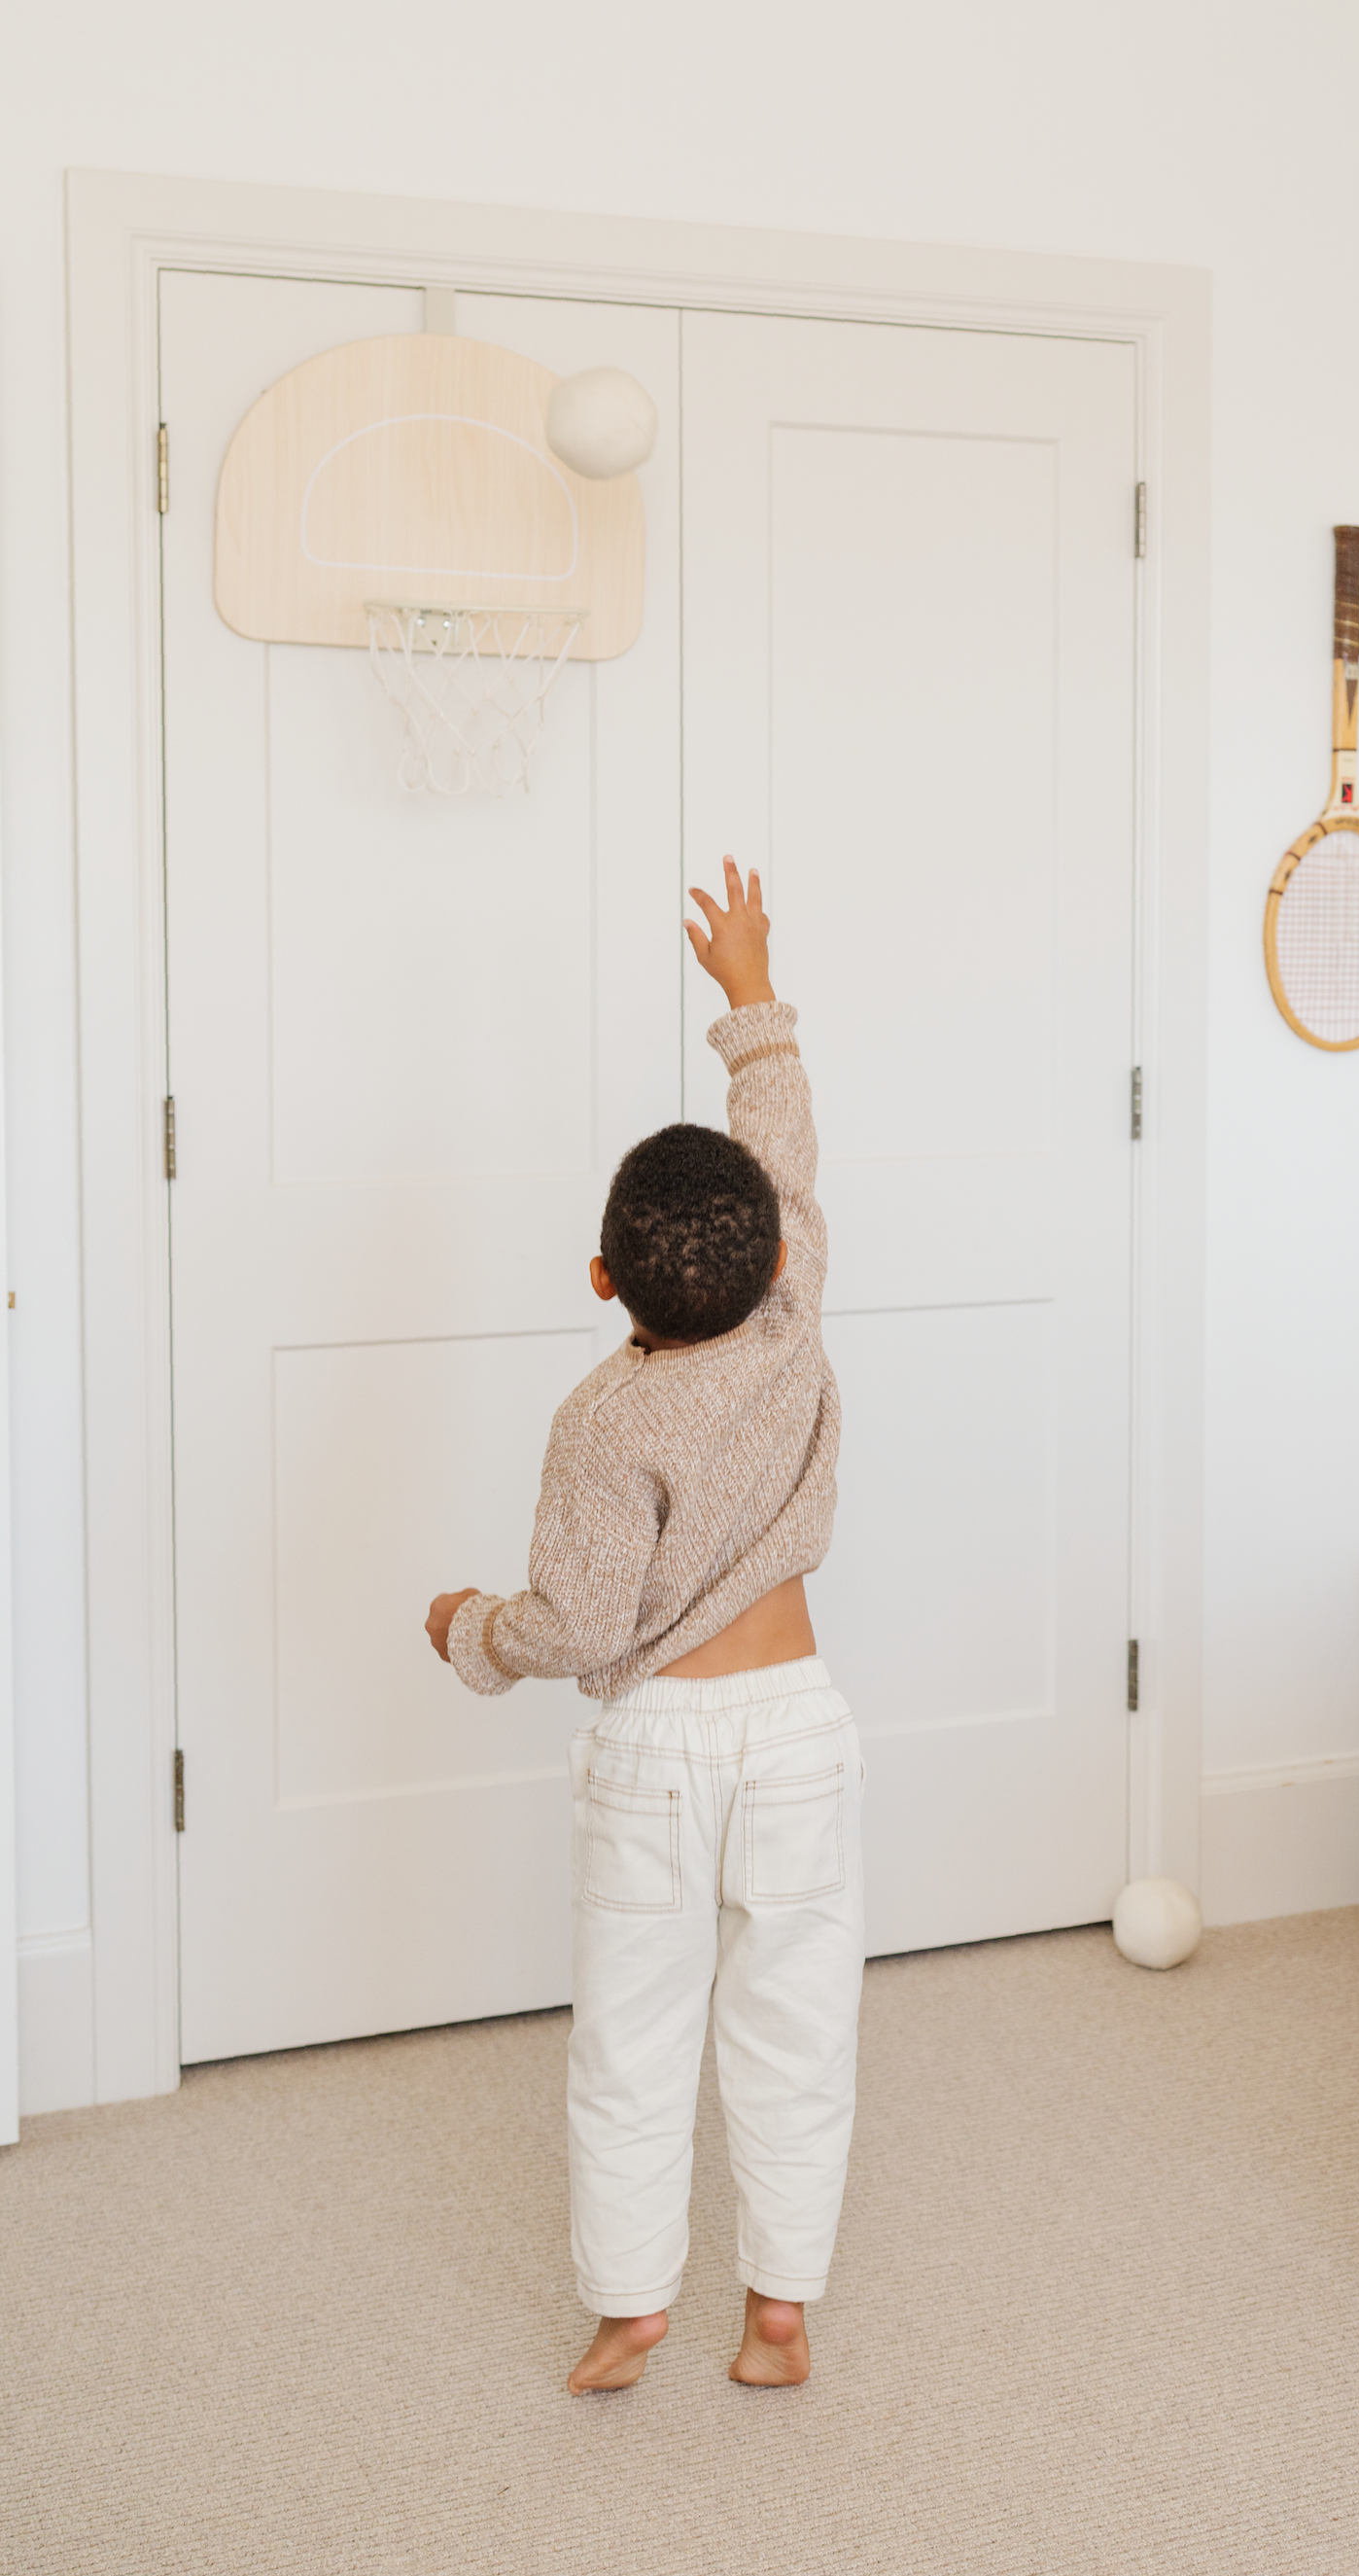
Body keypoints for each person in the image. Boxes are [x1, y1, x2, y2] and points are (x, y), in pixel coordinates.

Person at [424, 859, 858, 2396]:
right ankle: (781, 2308)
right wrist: (748, 990)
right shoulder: (797, 1314)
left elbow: (577, 1617)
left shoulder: (599, 1421)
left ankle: (630, 2307)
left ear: (603, 1277)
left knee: (632, 2036)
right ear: (777, 1258)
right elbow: (785, 1147)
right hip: (799, 1730)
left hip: (658, 1754)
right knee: (795, 2027)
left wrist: (474, 1630)